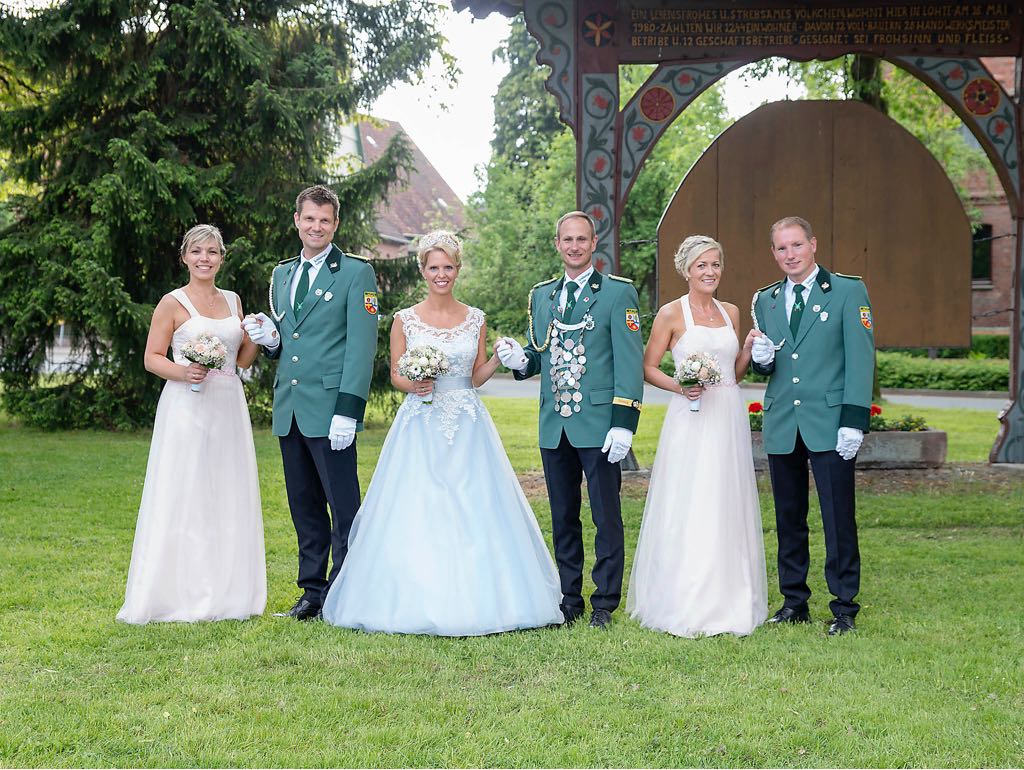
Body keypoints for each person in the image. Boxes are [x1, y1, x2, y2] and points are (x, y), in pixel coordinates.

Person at [321, 231, 562, 635]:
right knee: (418, 501)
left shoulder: (476, 318)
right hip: (421, 420)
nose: (441, 274)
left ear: (458, 269)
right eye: (434, 267)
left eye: (448, 266)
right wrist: (414, 384)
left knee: (476, 501)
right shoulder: (404, 319)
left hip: (467, 421)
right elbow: (396, 374)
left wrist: (499, 360)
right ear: (422, 270)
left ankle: (487, 596)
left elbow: (476, 376)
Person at [496, 211, 644, 629]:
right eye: (567, 239)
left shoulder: (617, 293)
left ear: (593, 243)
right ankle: (569, 599)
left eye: (582, 239)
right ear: (557, 244)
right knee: (563, 516)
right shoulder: (544, 295)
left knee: (605, 516)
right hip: (554, 424)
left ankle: (604, 602)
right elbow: (540, 353)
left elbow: (629, 362)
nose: (574, 246)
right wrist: (519, 361)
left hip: (598, 423)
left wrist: (623, 422)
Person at [242, 185, 378, 621]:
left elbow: (362, 347)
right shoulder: (283, 273)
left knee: (343, 506)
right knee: (304, 506)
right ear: (297, 221)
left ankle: (346, 592)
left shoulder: (356, 273)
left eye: (324, 220)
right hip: (292, 407)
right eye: (309, 218)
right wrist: (271, 341)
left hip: (331, 409)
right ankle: (312, 592)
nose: (316, 226)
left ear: (335, 225)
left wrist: (348, 410)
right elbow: (291, 340)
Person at [118, 224, 266, 624]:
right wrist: (184, 372)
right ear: (184, 257)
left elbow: (242, 360)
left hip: (228, 404)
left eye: (212, 252)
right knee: (187, 491)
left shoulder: (233, 300)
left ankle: (229, 592)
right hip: (187, 405)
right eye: (197, 251)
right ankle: (179, 592)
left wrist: (259, 337)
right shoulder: (172, 302)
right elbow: (152, 357)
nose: (205, 258)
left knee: (227, 491)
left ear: (222, 258)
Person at [626, 235, 768, 637]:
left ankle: (730, 594)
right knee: (692, 498)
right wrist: (681, 385)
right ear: (686, 270)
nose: (710, 272)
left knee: (726, 497)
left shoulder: (731, 311)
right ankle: (686, 596)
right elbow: (648, 367)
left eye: (715, 264)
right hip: (690, 418)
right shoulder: (671, 314)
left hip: (727, 414)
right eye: (701, 265)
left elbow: (733, 372)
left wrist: (747, 349)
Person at [750, 216, 875, 636]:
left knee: (838, 518)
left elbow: (861, 358)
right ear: (774, 253)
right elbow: (774, 364)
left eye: (797, 245)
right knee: (789, 518)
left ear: (813, 245)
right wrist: (762, 361)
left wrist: (854, 420)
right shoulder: (766, 300)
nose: (790, 254)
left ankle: (844, 606)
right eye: (782, 248)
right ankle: (794, 602)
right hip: (785, 421)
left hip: (830, 422)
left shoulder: (846, 291)